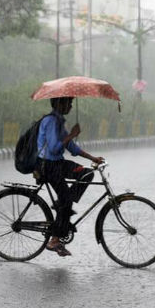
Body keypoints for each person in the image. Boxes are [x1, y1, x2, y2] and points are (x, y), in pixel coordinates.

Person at [36, 96, 104, 257]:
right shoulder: (51, 121)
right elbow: (53, 148)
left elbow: (71, 147)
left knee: (86, 173)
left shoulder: (58, 121)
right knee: (66, 201)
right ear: (59, 103)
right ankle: (54, 240)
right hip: (48, 166)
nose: (71, 106)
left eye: (72, 103)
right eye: (69, 103)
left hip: (58, 163)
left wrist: (92, 158)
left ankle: (63, 207)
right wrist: (72, 134)